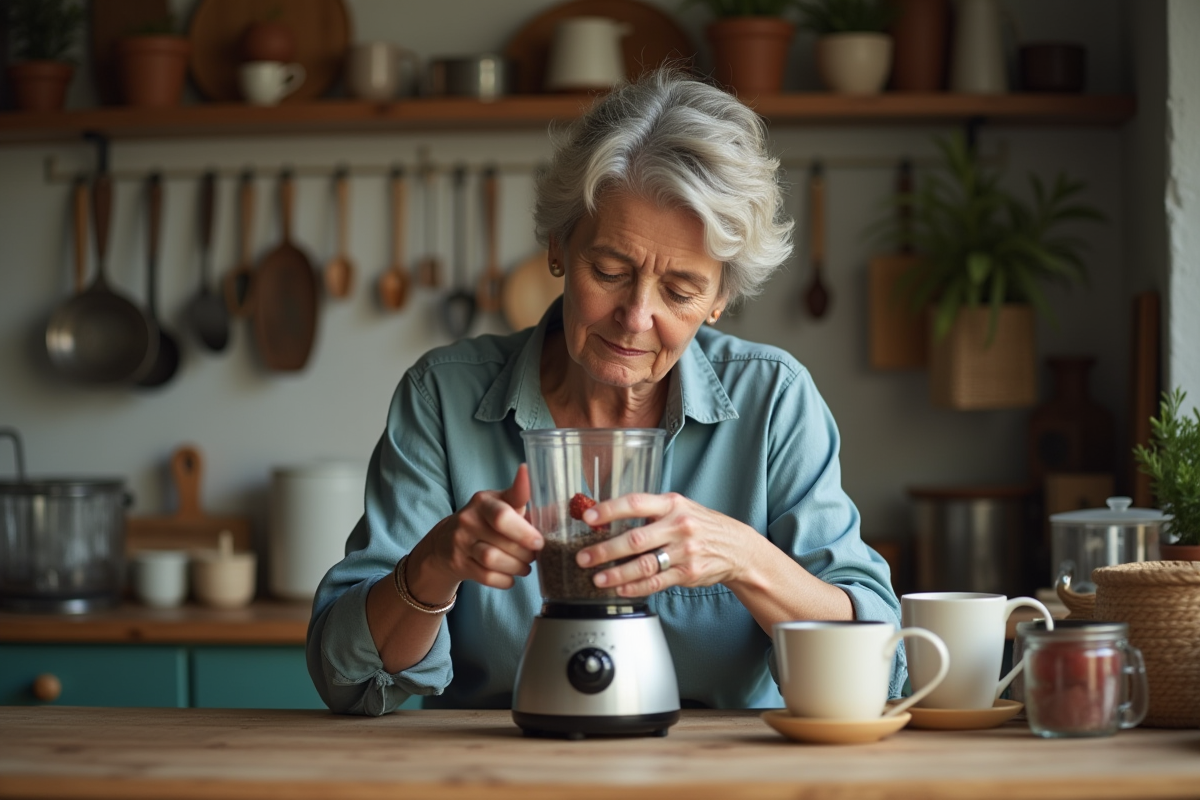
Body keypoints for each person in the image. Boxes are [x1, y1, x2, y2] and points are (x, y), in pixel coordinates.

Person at [306, 69, 902, 716]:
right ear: (560, 246)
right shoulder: (443, 398)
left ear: (721, 299)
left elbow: (885, 667)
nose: (637, 316)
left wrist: (744, 558)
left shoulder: (773, 401)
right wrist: (434, 565)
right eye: (610, 271)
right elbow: (346, 681)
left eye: (679, 291)